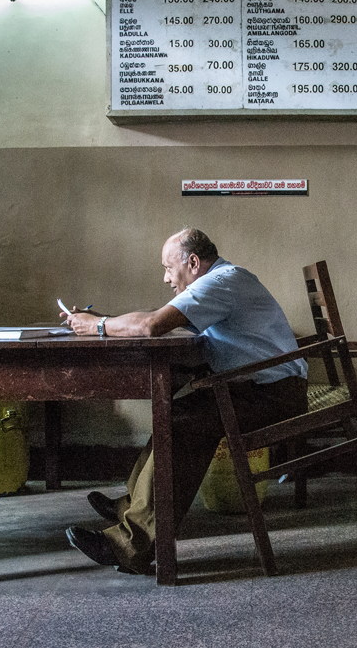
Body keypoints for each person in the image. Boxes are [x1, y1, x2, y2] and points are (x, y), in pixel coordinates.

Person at [62, 227, 308, 574]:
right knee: (176, 413)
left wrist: (99, 325)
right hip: (260, 388)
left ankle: (129, 545)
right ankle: (134, 507)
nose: (165, 278)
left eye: (168, 267)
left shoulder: (221, 281)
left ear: (193, 262)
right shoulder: (218, 282)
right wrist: (103, 320)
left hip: (275, 394)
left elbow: (151, 325)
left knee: (183, 425)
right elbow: (157, 315)